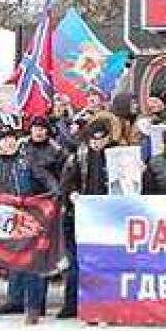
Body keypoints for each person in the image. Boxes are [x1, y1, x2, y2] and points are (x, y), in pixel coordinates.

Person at [0, 128, 54, 325]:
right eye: (5, 139)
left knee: (30, 262)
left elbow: (47, 180)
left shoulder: (27, 162)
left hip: (23, 218)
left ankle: (32, 309)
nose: (10, 142)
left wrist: (54, 194)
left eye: (12, 139)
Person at [58, 120, 115, 318]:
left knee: (105, 263)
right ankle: (71, 304)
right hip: (80, 216)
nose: (97, 143)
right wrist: (71, 193)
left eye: (101, 139)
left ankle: (105, 304)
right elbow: (66, 183)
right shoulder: (77, 157)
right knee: (76, 263)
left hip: (108, 217)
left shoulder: (116, 156)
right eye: (94, 139)